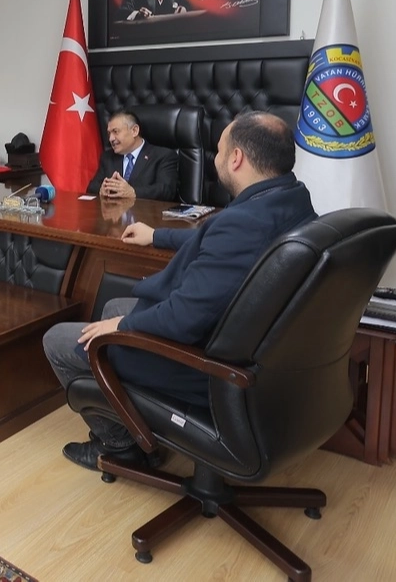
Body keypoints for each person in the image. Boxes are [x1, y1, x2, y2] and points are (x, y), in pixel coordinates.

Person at [45, 111, 316, 470]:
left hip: (207, 364)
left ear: (236, 158)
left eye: (220, 150)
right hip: (252, 348)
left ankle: (120, 445)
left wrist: (123, 327)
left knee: (59, 339)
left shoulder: (242, 224)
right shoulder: (290, 200)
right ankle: (136, 421)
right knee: (113, 305)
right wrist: (157, 235)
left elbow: (183, 319)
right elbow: (217, 240)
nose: (216, 158)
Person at [85, 110, 179, 201]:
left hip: (146, 211)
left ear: (134, 131)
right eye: (109, 133)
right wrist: (102, 189)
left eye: (115, 131)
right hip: (114, 211)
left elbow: (166, 191)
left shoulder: (163, 156)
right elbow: (92, 187)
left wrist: (133, 192)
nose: (111, 138)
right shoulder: (107, 157)